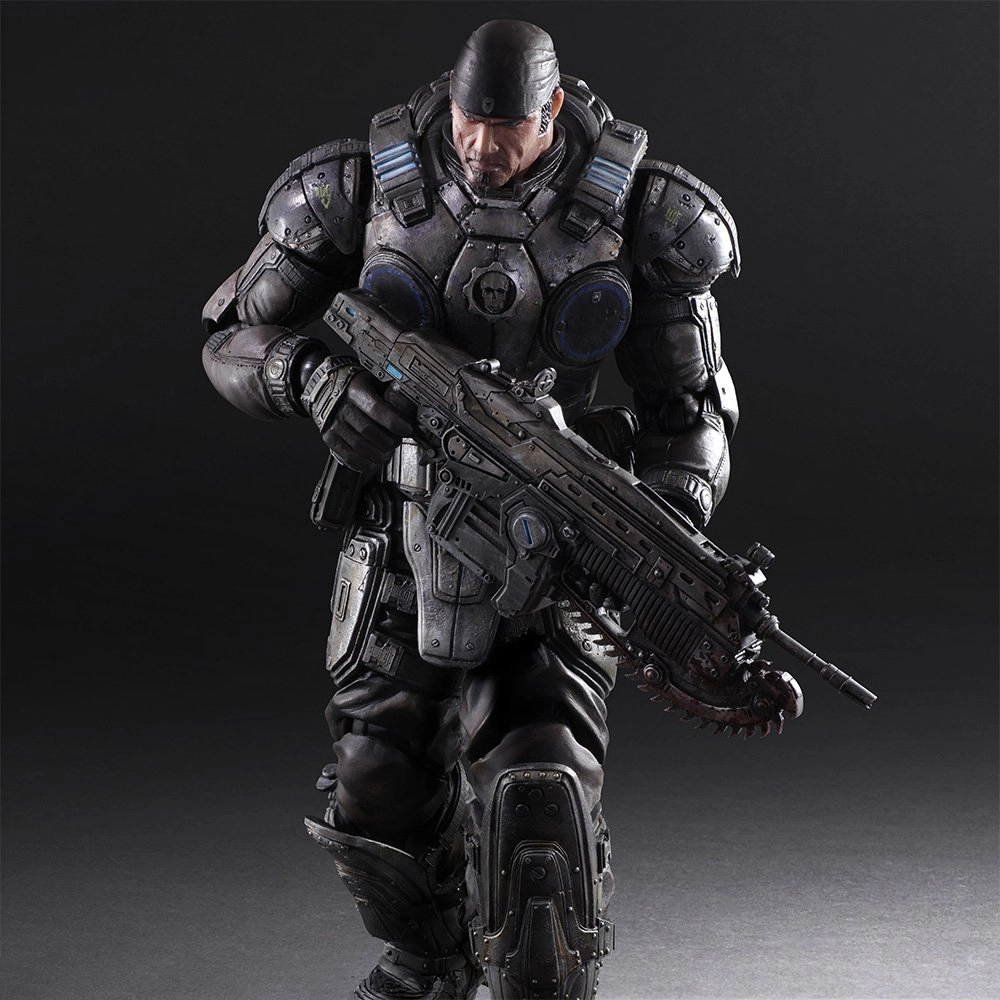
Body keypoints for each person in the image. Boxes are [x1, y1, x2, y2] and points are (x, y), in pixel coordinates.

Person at [202, 20, 739, 1000]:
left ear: (553, 112)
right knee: (375, 786)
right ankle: (427, 965)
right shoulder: (358, 188)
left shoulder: (642, 212)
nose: (484, 147)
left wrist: (658, 525)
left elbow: (689, 410)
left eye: (509, 127)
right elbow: (235, 334)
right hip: (403, 528)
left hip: (553, 540)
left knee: (543, 796)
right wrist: (312, 379)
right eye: (468, 122)